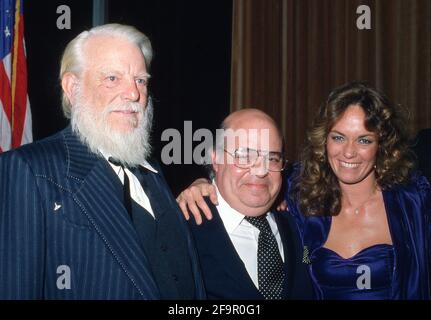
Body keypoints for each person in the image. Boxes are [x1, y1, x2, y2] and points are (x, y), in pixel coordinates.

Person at [0, 23, 205, 299]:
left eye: (140, 80)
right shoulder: (29, 169)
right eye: (112, 78)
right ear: (73, 88)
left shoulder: (153, 172)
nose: (133, 94)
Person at [177, 82, 431, 299]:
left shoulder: (414, 202)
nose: (349, 152)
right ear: (325, 140)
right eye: (338, 137)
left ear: (381, 145)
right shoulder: (301, 196)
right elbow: (245, 184)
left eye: (364, 140)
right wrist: (203, 184)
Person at [182, 108, 315, 300]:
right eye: (245, 156)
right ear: (216, 159)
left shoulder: (298, 223)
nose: (261, 171)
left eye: (272, 158)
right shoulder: (183, 230)